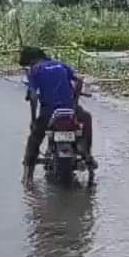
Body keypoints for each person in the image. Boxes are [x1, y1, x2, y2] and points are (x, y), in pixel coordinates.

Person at [19, 46, 96, 184]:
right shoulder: (61, 65)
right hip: (69, 110)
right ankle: (86, 153)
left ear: (31, 60)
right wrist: (75, 101)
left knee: (34, 139)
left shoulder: (34, 70)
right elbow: (79, 80)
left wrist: (33, 119)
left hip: (50, 112)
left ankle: (28, 175)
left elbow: (34, 96)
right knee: (86, 118)